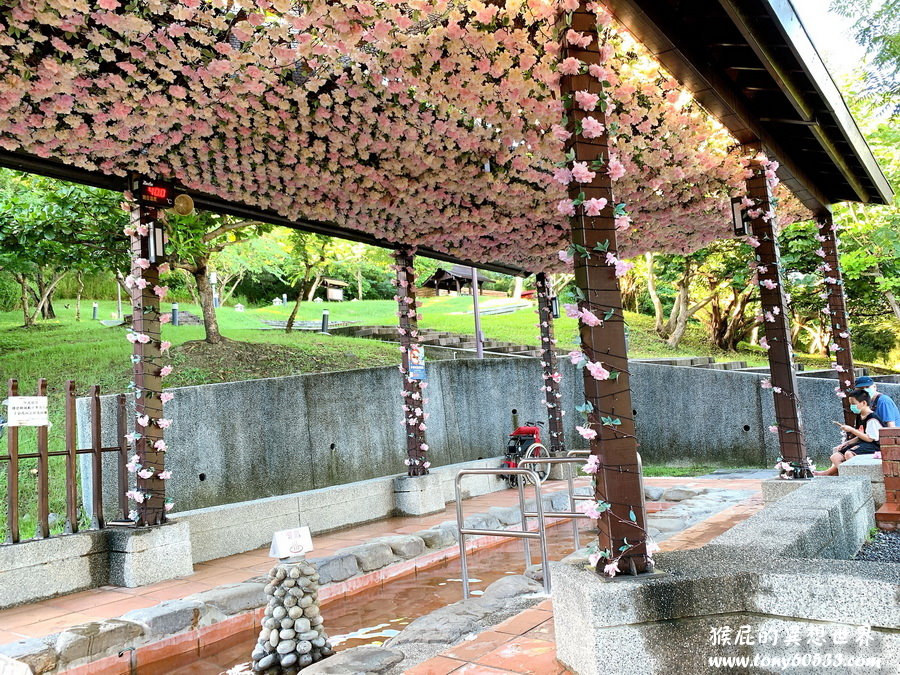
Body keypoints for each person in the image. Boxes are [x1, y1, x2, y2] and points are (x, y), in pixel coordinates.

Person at [815, 389, 883, 476]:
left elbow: (870, 438)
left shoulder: (872, 418)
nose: (852, 406)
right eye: (851, 404)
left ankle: (853, 477)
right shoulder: (859, 416)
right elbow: (860, 435)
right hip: (863, 443)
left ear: (864, 403)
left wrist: (851, 430)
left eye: (854, 404)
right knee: (835, 456)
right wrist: (847, 443)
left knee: (849, 454)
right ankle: (846, 475)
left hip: (874, 446)